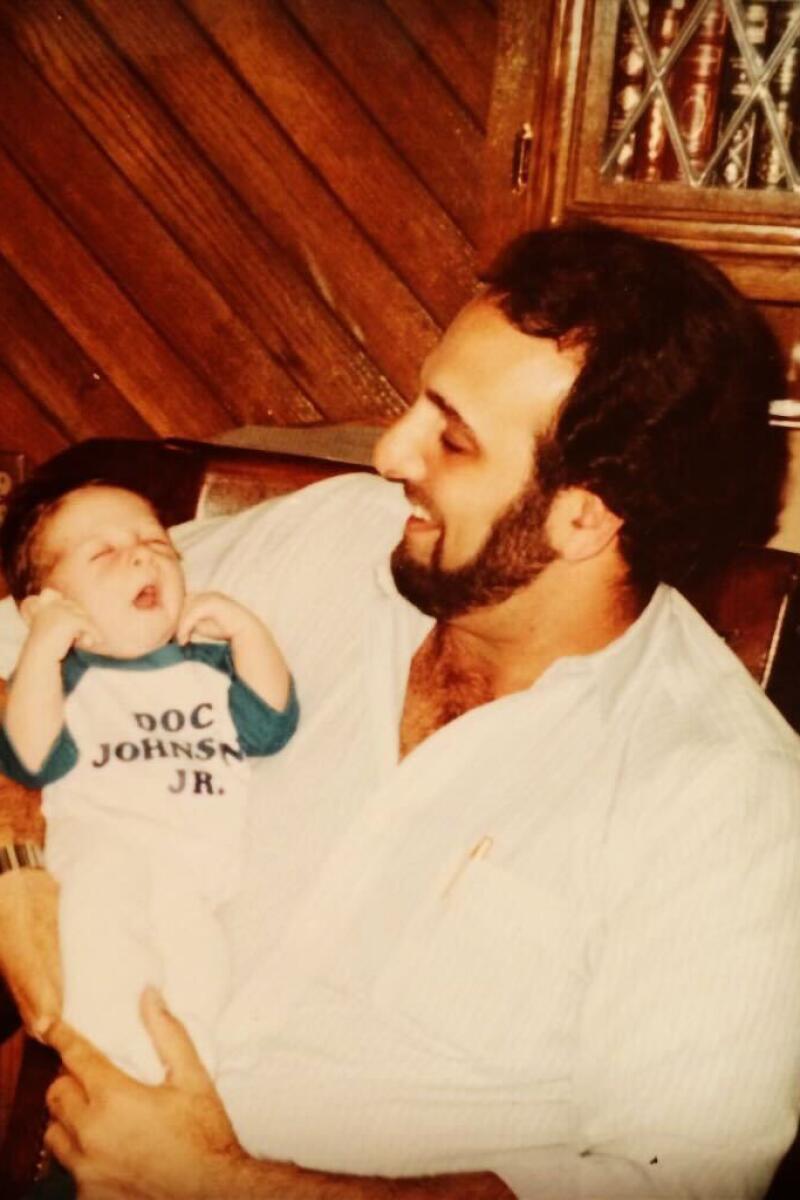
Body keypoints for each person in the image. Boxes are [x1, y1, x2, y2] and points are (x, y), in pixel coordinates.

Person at [1, 222, 800, 1200]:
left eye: (449, 438)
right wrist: (17, 862)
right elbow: (22, 631)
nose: (387, 453)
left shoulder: (724, 796)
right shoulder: (338, 545)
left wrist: (223, 1184)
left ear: (584, 515)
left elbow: (672, 1185)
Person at [0, 479, 298, 1085]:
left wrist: (247, 632)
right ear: (47, 605)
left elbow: (271, 726)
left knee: (198, 963)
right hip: (99, 845)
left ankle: (182, 1074)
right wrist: (43, 647)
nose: (141, 555)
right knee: (103, 930)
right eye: (104, 554)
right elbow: (29, 758)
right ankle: (108, 1057)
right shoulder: (67, 679)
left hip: (195, 870)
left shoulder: (210, 665)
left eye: (157, 543)